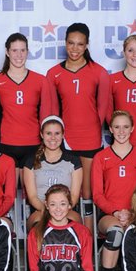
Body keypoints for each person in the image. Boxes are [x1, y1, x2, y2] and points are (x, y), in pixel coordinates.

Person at [20, 184, 112, 271]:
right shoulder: (36, 232)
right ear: (47, 206)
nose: (58, 209)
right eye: (53, 204)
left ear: (70, 205)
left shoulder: (82, 232)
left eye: (63, 204)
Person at [44, 22, 112, 197]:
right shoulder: (54, 74)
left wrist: (93, 130)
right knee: (65, 192)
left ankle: (88, 225)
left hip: (90, 138)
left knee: (88, 192)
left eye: (80, 44)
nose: (75, 48)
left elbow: (103, 109)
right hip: (64, 139)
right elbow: (52, 111)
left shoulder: (99, 72)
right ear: (65, 43)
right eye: (71, 43)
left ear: (87, 45)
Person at [93, 109, 136, 271]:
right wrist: (116, 212)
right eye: (117, 127)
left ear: (132, 128)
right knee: (116, 232)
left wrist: (133, 213)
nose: (121, 131)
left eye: (125, 127)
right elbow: (97, 194)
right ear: (110, 129)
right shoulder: (101, 157)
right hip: (110, 214)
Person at [0, 33, 49, 169]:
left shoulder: (40, 81)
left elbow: (45, 117)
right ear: (7, 52)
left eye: (23, 50)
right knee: (9, 190)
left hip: (33, 144)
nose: (19, 55)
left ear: (27, 52)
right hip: (6, 144)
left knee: (31, 190)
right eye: (14, 50)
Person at [22, 115, 83, 228]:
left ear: (63, 135)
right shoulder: (31, 161)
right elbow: (32, 196)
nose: (53, 138)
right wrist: (47, 210)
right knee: (38, 227)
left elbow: (74, 195)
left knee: (75, 225)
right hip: (41, 210)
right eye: (48, 133)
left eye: (57, 133)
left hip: (66, 210)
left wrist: (61, 210)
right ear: (42, 134)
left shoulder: (73, 161)